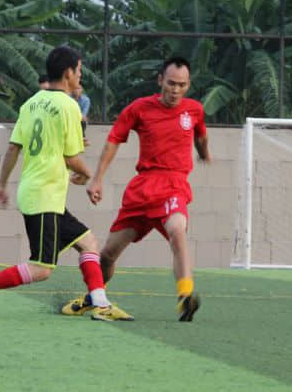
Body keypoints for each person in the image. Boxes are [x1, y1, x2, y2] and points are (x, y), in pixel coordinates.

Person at [0, 45, 132, 321]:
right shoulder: (69, 106)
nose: (81, 75)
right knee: (42, 269)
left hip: (40, 194)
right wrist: (88, 176)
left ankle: (98, 302)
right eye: (79, 70)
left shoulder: (31, 103)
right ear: (68, 72)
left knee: (88, 242)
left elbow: (14, 148)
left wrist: (1, 185)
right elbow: (72, 158)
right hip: (44, 197)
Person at [61, 56, 210, 322]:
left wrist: (204, 153)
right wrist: (97, 179)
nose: (176, 90)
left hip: (173, 185)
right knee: (108, 255)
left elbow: (200, 135)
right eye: (171, 83)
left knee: (177, 230)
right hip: (142, 191)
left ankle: (185, 296)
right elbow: (113, 140)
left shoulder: (194, 110)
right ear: (160, 80)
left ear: (188, 85)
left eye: (182, 85)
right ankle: (94, 297)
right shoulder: (139, 109)